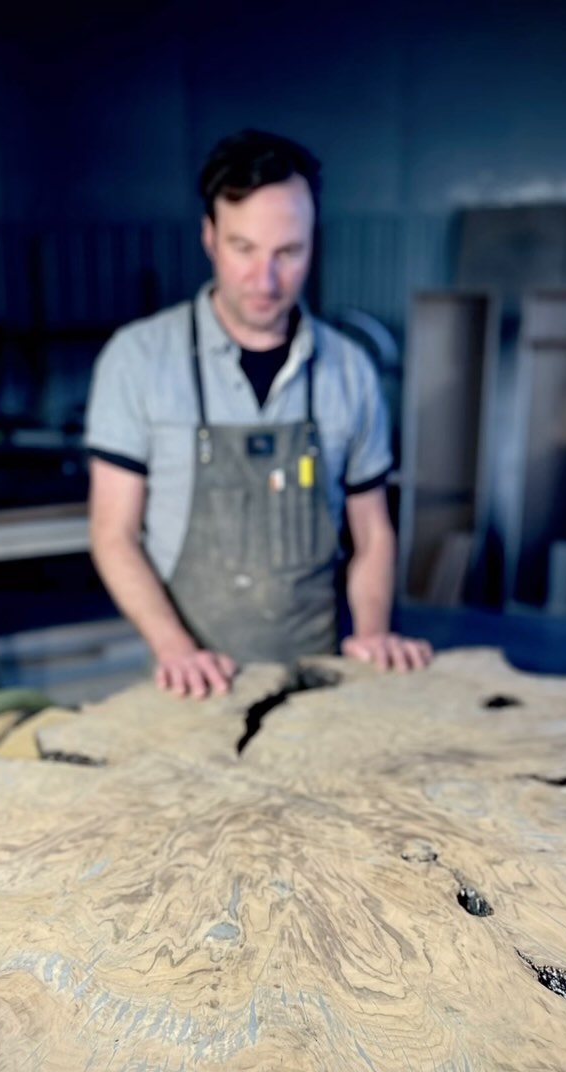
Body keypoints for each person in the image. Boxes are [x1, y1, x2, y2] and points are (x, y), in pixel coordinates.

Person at [86, 129, 432, 698]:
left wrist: (373, 638)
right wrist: (176, 649)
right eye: (243, 248)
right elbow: (113, 532)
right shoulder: (138, 359)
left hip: (321, 675)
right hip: (192, 679)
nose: (265, 281)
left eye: (288, 252)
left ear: (313, 243)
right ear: (209, 237)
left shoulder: (349, 369)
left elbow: (372, 531)